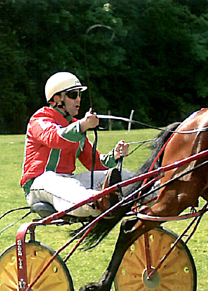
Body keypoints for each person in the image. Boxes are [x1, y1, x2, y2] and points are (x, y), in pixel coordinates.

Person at [21, 71, 133, 217]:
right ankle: (97, 201)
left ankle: (153, 194)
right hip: (39, 183)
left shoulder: (76, 126)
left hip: (68, 181)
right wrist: (82, 126)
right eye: (73, 95)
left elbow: (94, 163)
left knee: (124, 176)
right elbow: (54, 137)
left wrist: (115, 155)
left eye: (79, 95)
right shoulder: (40, 119)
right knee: (57, 181)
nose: (78, 100)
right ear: (57, 99)